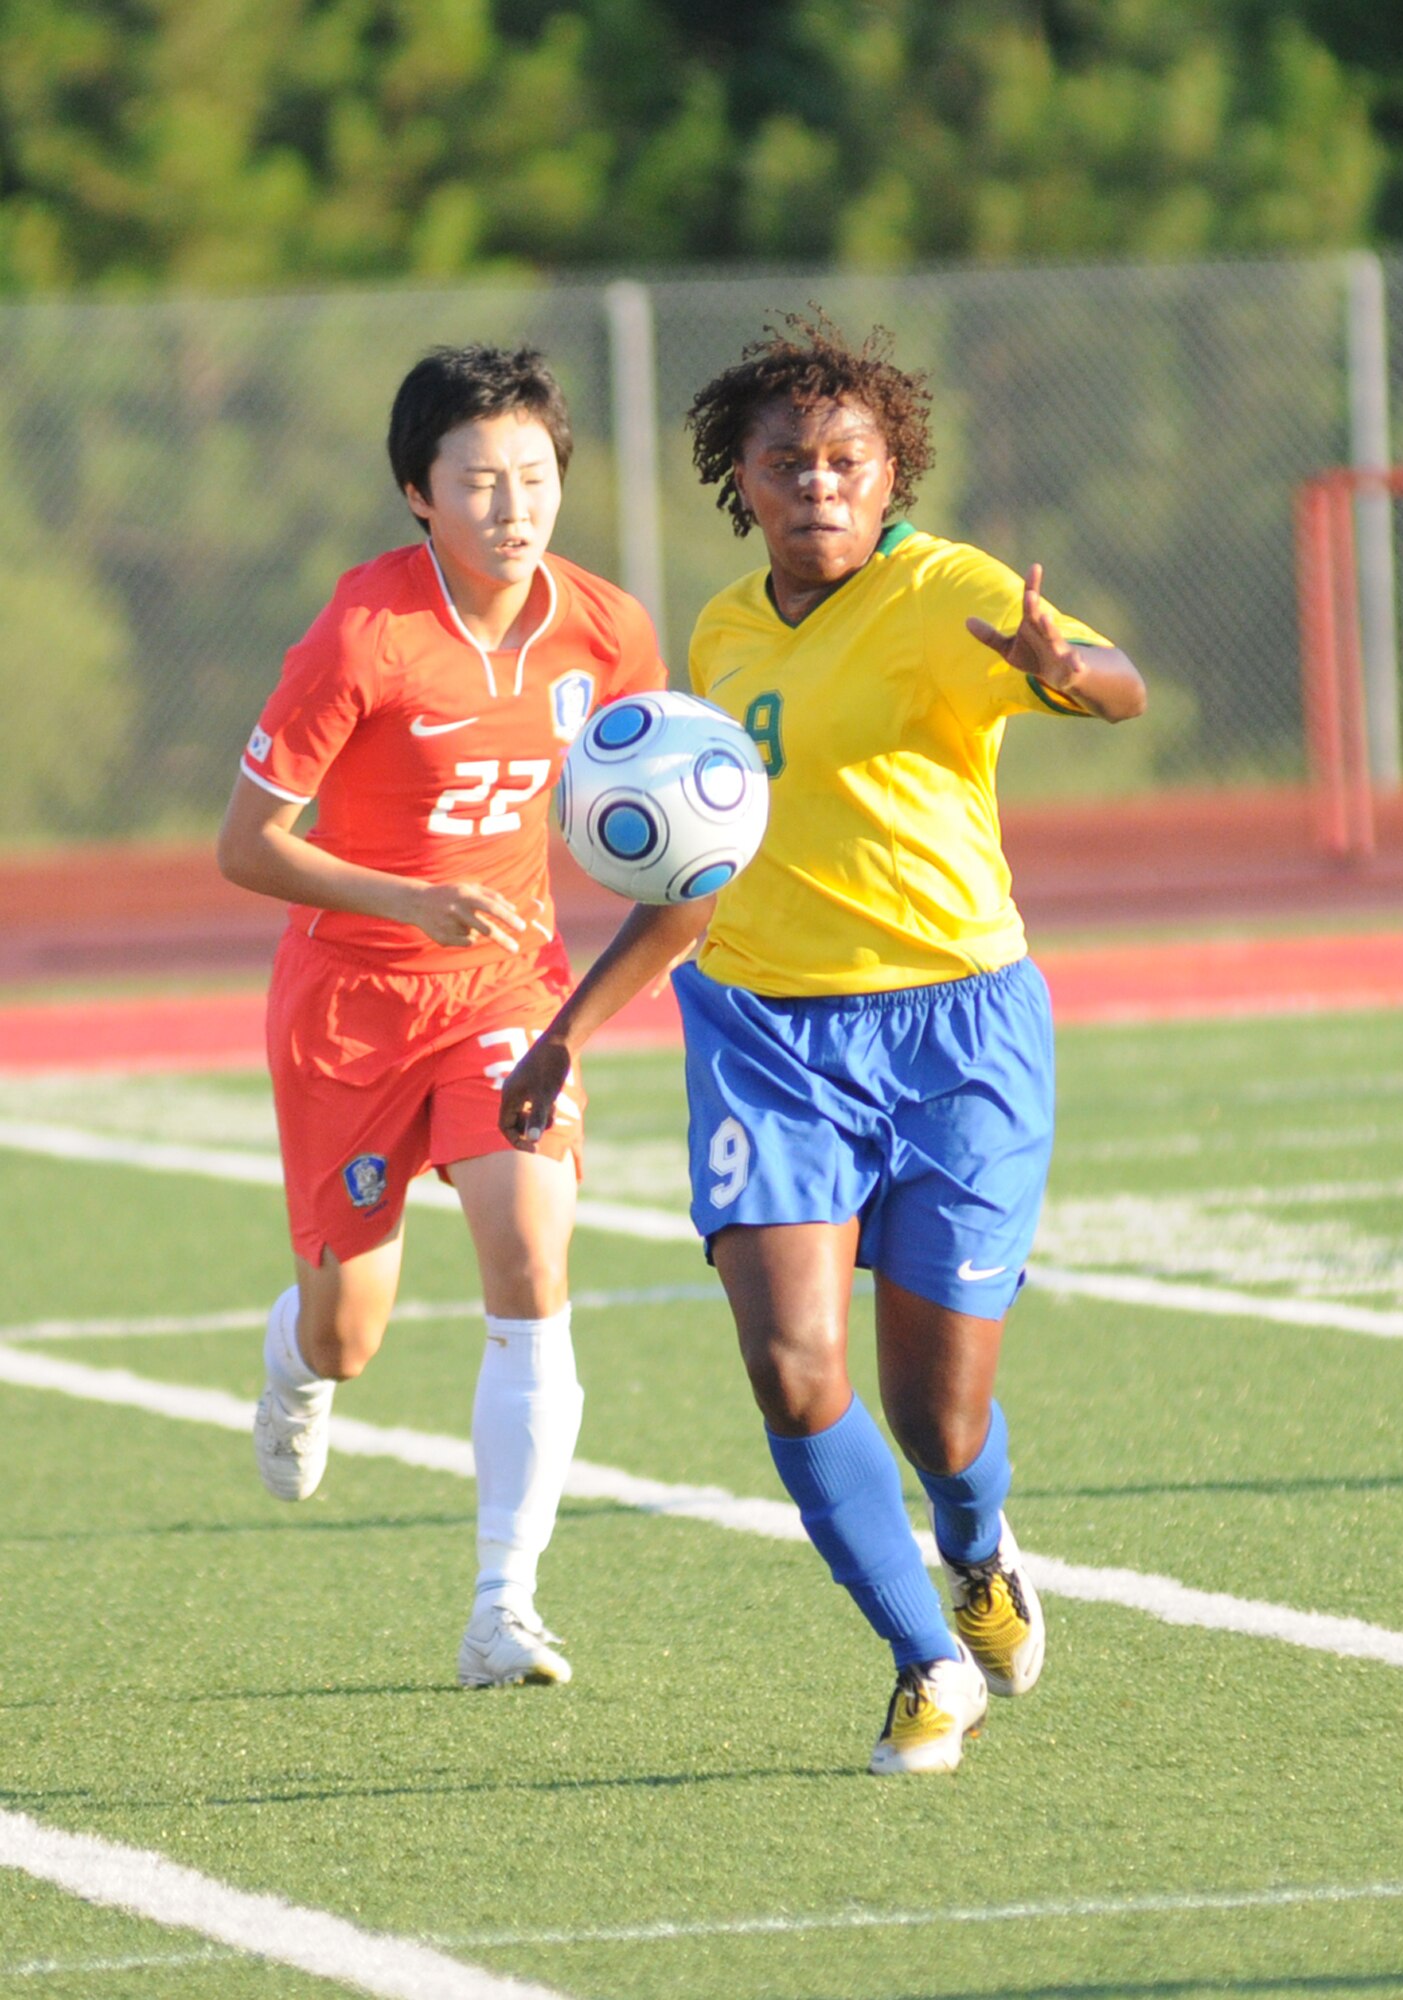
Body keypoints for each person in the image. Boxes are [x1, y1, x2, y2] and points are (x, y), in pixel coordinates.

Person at [498, 314, 1146, 1773]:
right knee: (794, 1365)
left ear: (890, 466)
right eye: (785, 459)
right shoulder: (719, 639)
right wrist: (560, 1036)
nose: (817, 482)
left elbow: (1119, 688)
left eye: (847, 458)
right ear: (739, 474)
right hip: (766, 1037)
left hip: (958, 1031)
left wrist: (1063, 668)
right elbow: (694, 880)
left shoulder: (948, 593)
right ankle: (925, 1659)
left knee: (937, 1410)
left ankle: (976, 1555)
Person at [216, 343, 665, 1689]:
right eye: (477, 481)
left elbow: (646, 806)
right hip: (350, 1001)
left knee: (530, 1251)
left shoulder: (605, 628)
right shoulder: (365, 629)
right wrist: (406, 902)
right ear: (419, 492)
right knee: (351, 1326)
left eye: (532, 477)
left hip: (507, 992)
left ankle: (502, 1604)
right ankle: (298, 1364)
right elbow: (246, 846)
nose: (510, 508)